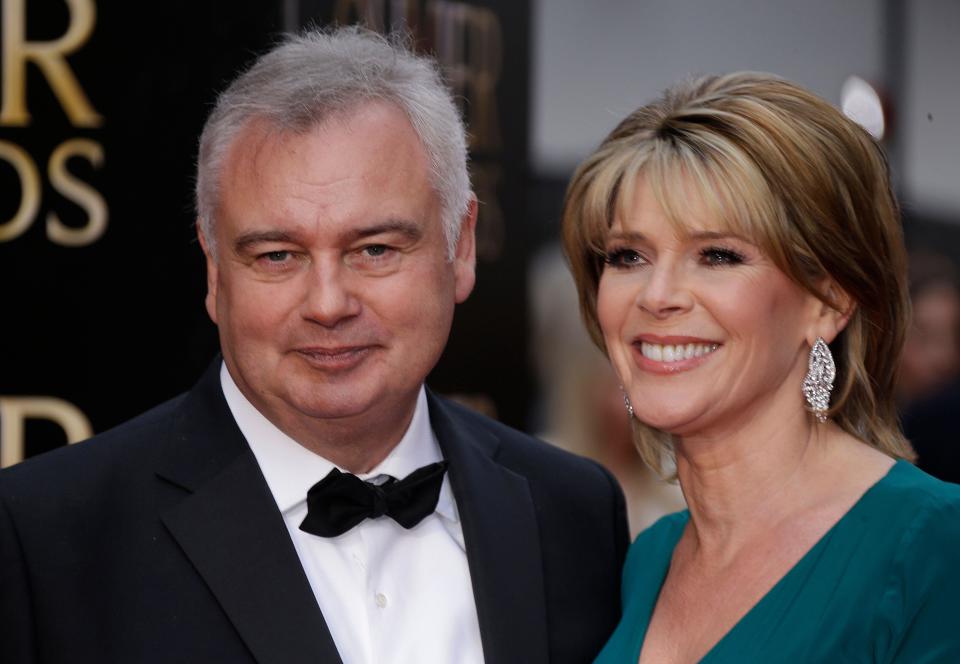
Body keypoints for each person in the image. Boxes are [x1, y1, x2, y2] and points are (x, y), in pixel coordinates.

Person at [0, 28, 628, 664]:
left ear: (459, 246)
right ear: (214, 270)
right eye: (277, 255)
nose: (328, 304)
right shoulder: (43, 539)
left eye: (375, 249)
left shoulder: (573, 513)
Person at [561, 72, 960, 662]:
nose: (657, 294)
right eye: (628, 256)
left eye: (717, 255)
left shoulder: (934, 544)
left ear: (828, 302)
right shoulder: (649, 558)